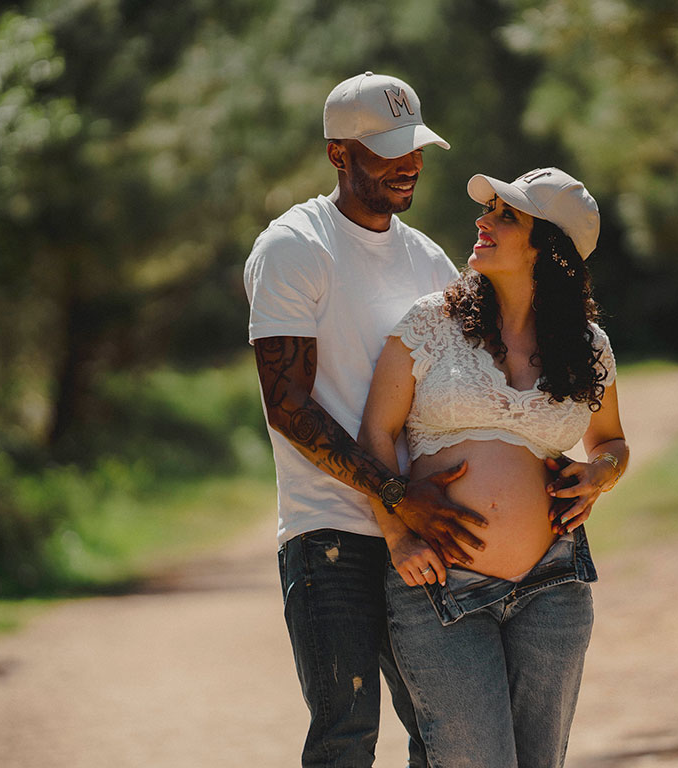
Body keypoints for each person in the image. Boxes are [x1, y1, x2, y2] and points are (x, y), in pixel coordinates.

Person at [243, 71, 488, 768]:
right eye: (386, 149)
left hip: (422, 528)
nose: (408, 164)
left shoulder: (428, 259)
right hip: (330, 537)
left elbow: (461, 389)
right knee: (346, 739)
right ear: (338, 155)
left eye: (413, 146)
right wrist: (391, 493)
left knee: (446, 736)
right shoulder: (295, 247)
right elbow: (287, 406)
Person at [358, 167, 629, 767]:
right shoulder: (433, 323)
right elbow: (374, 432)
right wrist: (398, 534)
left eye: (508, 215)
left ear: (550, 249)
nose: (483, 221)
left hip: (554, 586)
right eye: (490, 210)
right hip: (441, 588)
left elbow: (610, 442)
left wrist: (600, 475)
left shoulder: (589, 347)